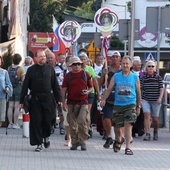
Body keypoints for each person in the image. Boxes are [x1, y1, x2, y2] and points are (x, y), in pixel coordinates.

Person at [19, 49, 62, 152]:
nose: (43, 58)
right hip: (35, 100)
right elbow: (25, 86)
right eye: (41, 56)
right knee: (36, 122)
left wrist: (59, 98)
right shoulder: (31, 70)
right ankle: (39, 143)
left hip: (48, 99)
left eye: (44, 56)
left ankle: (46, 136)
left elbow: (55, 85)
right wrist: (21, 101)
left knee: (48, 120)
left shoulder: (50, 69)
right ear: (36, 58)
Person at [101, 56, 141, 155]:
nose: (125, 65)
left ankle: (128, 147)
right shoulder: (116, 76)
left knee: (128, 125)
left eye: (127, 63)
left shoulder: (135, 77)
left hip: (130, 104)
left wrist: (138, 106)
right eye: (123, 63)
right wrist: (103, 99)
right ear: (120, 64)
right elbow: (109, 89)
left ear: (131, 65)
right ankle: (119, 139)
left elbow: (139, 92)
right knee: (117, 128)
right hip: (118, 104)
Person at [62, 57, 93, 151]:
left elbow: (91, 87)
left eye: (78, 64)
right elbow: (63, 90)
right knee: (72, 123)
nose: (77, 66)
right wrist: (63, 102)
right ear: (71, 66)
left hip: (83, 102)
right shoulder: (68, 76)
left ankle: (83, 141)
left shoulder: (86, 74)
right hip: (71, 102)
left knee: (82, 120)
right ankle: (75, 142)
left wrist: (87, 91)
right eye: (74, 64)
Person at [99, 51, 122, 148]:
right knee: (106, 118)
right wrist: (103, 75)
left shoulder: (123, 70)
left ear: (120, 59)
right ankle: (109, 137)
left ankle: (119, 138)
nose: (115, 58)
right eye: (113, 56)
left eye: (117, 57)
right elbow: (99, 83)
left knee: (119, 121)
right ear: (110, 58)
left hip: (120, 98)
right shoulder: (106, 69)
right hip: (108, 98)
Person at [79, 52, 101, 138]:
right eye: (81, 59)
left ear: (87, 61)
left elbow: (95, 81)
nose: (83, 61)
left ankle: (87, 130)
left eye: (84, 59)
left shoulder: (90, 69)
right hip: (79, 93)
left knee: (87, 111)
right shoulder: (77, 68)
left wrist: (98, 93)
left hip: (90, 93)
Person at [141, 60, 164, 141]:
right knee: (146, 115)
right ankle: (147, 133)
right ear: (146, 68)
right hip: (146, 99)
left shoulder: (158, 77)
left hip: (155, 100)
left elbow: (161, 89)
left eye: (152, 66)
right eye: (149, 66)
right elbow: (140, 89)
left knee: (155, 119)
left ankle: (155, 131)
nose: (150, 68)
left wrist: (160, 98)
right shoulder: (143, 78)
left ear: (155, 68)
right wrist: (140, 99)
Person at [7, 53, 25, 129]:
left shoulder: (9, 68)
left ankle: (10, 123)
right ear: (20, 60)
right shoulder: (20, 69)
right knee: (17, 106)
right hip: (18, 88)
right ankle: (15, 123)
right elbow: (23, 80)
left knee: (10, 106)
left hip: (10, 88)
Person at [131, 57, 145, 137]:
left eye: (140, 64)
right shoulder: (130, 73)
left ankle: (140, 129)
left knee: (141, 113)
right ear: (133, 65)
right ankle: (132, 130)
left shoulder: (142, 74)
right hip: (132, 96)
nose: (139, 66)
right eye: (138, 64)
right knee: (133, 113)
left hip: (141, 96)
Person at [0, 56, 13, 127]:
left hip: (2, 96)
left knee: (1, 115)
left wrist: (7, 88)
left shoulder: (4, 72)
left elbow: (8, 84)